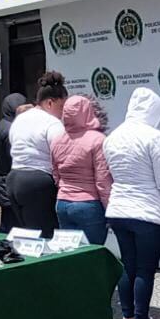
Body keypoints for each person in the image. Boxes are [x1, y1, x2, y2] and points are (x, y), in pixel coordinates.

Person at [105, 87, 160, 319]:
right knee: (145, 269)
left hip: (118, 210)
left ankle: (127, 316)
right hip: (148, 212)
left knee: (128, 264)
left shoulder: (112, 136)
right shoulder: (153, 136)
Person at [7, 71, 68, 236]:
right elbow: (60, 155)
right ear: (50, 102)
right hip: (38, 182)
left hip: (14, 179)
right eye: (61, 106)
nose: (63, 112)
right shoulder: (53, 123)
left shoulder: (21, 118)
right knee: (46, 236)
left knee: (28, 235)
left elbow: (13, 142)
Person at [51, 95, 113, 245]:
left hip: (62, 203)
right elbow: (102, 181)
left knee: (69, 253)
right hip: (89, 204)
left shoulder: (57, 139)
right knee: (93, 253)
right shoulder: (98, 139)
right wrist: (109, 210)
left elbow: (55, 175)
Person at [0, 93, 29, 234]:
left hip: (3, 183)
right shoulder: (11, 129)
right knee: (14, 228)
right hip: (11, 184)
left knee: (7, 226)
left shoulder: (2, 125)